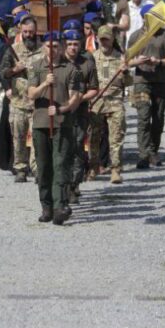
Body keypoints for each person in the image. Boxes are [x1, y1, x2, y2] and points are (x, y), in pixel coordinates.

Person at [27, 32, 84, 226]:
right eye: (48, 46)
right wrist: (45, 83)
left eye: (55, 46)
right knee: (43, 168)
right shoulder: (36, 67)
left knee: (60, 166)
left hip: (62, 124)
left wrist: (61, 108)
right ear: (43, 47)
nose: (52, 50)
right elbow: (31, 94)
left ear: (60, 47)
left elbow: (75, 98)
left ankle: (60, 206)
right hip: (41, 124)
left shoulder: (70, 69)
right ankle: (46, 207)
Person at [127, 6, 165, 169]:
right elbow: (126, 61)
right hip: (141, 81)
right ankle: (143, 154)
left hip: (161, 82)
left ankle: (153, 151)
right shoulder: (136, 36)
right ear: (144, 18)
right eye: (150, 17)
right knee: (143, 116)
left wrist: (159, 61)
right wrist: (138, 61)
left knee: (158, 117)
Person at [87, 25, 130, 184]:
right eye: (102, 39)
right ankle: (93, 167)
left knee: (116, 137)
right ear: (97, 39)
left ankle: (115, 169)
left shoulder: (121, 58)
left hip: (115, 102)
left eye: (107, 39)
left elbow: (129, 83)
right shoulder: (91, 58)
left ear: (113, 40)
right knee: (93, 137)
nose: (104, 42)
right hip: (96, 103)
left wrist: (125, 72)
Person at [0, 14, 40, 182]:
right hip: (18, 102)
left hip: (38, 103)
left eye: (31, 32)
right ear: (20, 31)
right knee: (19, 137)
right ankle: (20, 167)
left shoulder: (44, 50)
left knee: (37, 138)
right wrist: (15, 70)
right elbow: (2, 72)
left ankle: (37, 169)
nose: (28, 35)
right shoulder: (13, 49)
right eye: (25, 32)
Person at [63, 21, 98, 203]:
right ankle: (63, 184)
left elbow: (94, 89)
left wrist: (79, 99)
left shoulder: (87, 63)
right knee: (63, 149)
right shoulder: (58, 63)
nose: (73, 47)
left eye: (76, 44)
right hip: (62, 114)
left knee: (77, 148)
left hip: (80, 114)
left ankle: (73, 184)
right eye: (69, 44)